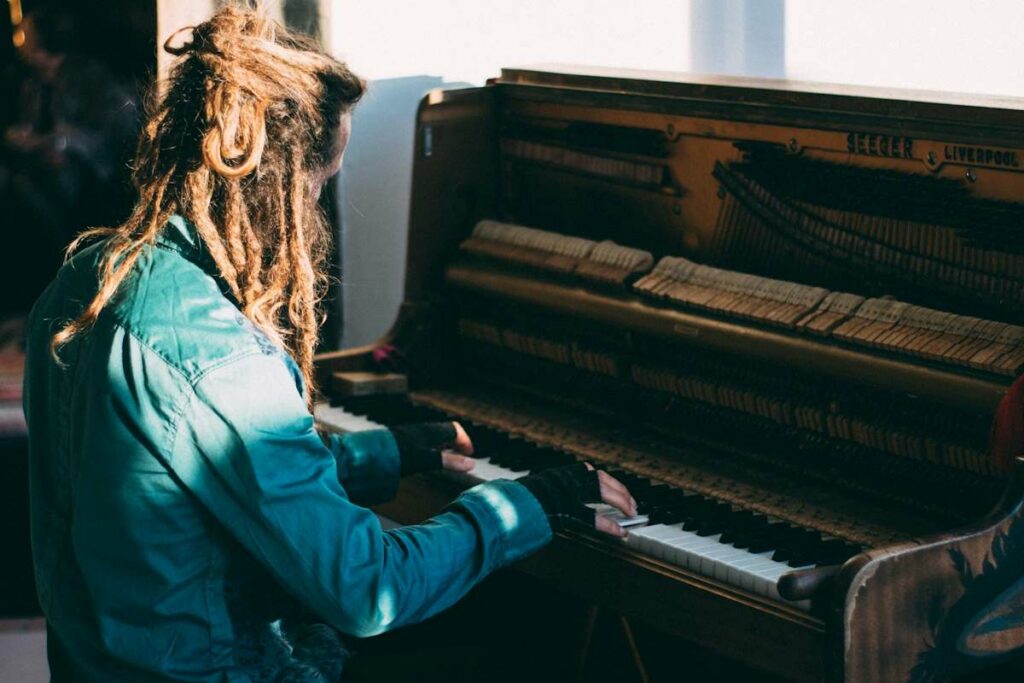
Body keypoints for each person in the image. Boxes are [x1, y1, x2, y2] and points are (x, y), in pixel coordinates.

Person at [23, 7, 637, 682]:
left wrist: (388, 452)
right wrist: (530, 501)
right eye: (320, 183)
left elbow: (209, 472)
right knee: (529, 640)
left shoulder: (89, 277)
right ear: (279, 185)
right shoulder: (220, 352)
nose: (316, 210)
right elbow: (368, 589)